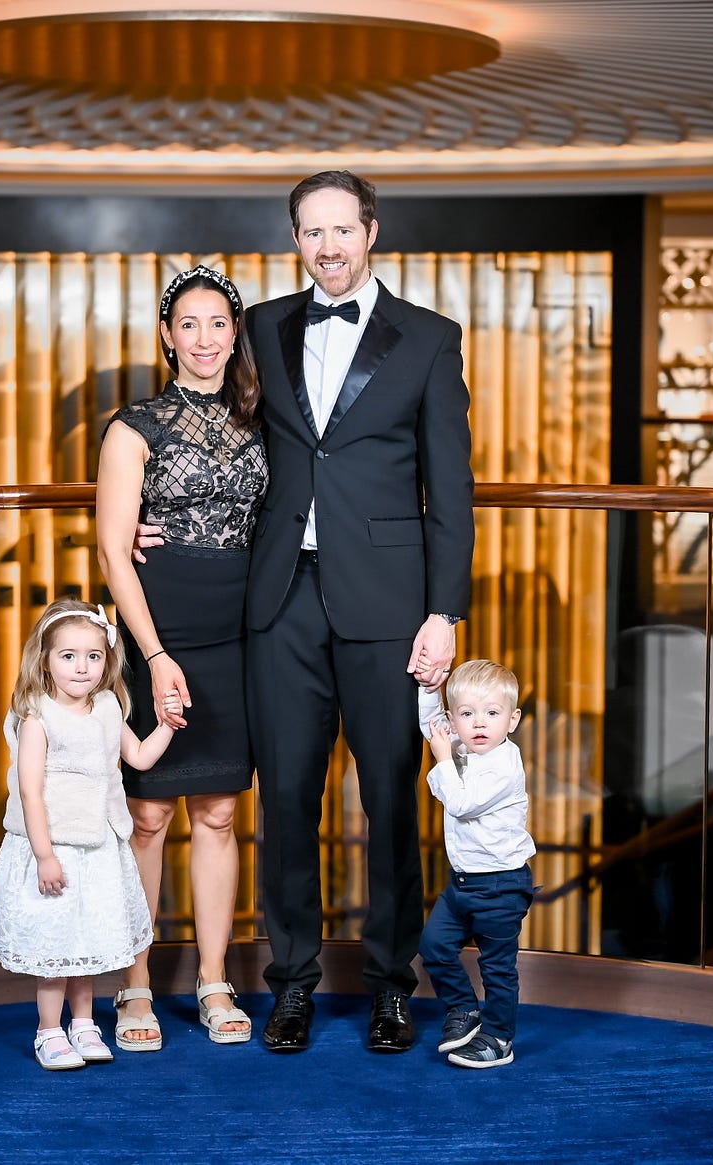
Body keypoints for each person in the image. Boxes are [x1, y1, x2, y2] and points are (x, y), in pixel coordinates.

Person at [245, 170, 475, 1054]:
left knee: (390, 801)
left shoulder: (428, 338)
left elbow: (450, 490)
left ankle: (391, 985)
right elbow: (223, 434)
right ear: (295, 239)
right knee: (288, 799)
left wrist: (443, 612)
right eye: (313, 232)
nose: (330, 247)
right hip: (280, 598)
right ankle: (291, 983)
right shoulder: (261, 326)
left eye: (344, 229)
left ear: (371, 231)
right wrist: (153, 503)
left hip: (389, 605)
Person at [96, 264, 267, 1049]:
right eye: (189, 324)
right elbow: (112, 550)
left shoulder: (266, 420)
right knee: (150, 812)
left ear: (236, 335)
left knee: (223, 812)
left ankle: (213, 977)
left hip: (243, 634)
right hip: (160, 629)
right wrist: (155, 653)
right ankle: (134, 986)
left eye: (219, 324)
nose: (205, 339)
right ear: (168, 335)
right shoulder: (134, 427)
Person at [0, 598, 178, 1070]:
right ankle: (48, 1031)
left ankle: (84, 1023)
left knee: (87, 946)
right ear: (45, 660)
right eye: (68, 656)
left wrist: (168, 726)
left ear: (107, 661)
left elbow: (137, 758)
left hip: (99, 847)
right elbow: (31, 793)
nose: (82, 667)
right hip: (55, 847)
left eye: (94, 656)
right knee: (57, 945)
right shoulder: (38, 716)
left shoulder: (110, 705)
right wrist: (45, 855)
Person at [417, 660, 537, 1069]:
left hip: (501, 884)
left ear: (513, 719)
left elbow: (463, 803)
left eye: (492, 712)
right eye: (467, 714)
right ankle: (464, 1010)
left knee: (497, 968)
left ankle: (500, 1038)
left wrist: (442, 757)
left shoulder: (504, 764)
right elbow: (432, 727)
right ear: (454, 719)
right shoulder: (464, 749)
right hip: (463, 883)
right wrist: (428, 687)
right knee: (433, 946)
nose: (479, 723)